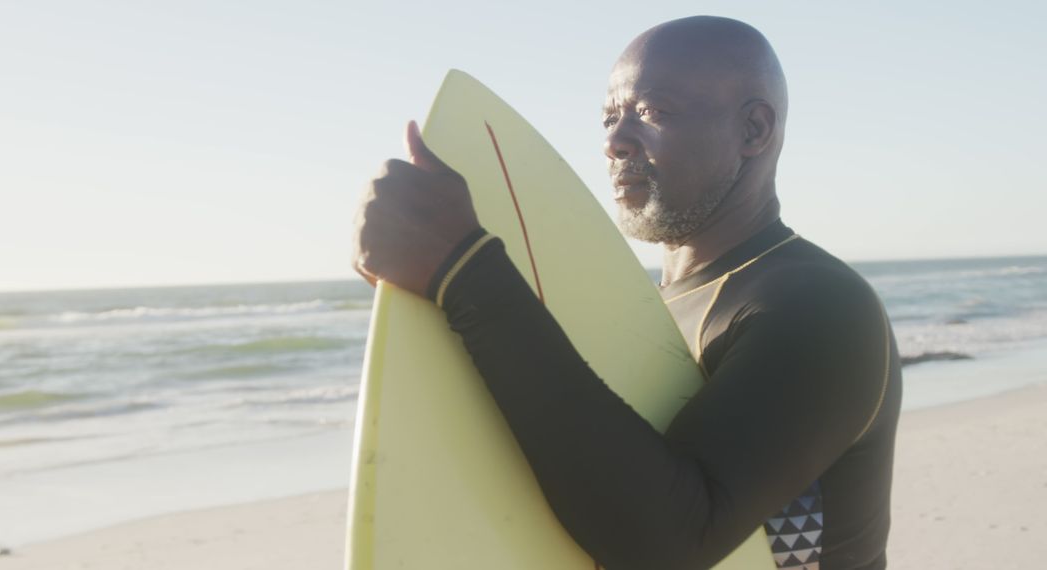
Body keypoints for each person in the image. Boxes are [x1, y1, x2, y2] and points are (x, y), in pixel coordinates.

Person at [352, 15, 901, 570]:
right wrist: (414, 299)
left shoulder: (817, 306)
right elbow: (570, 456)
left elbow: (668, 541)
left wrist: (464, 270)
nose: (615, 141)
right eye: (610, 117)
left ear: (753, 130)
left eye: (652, 112)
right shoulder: (645, 313)